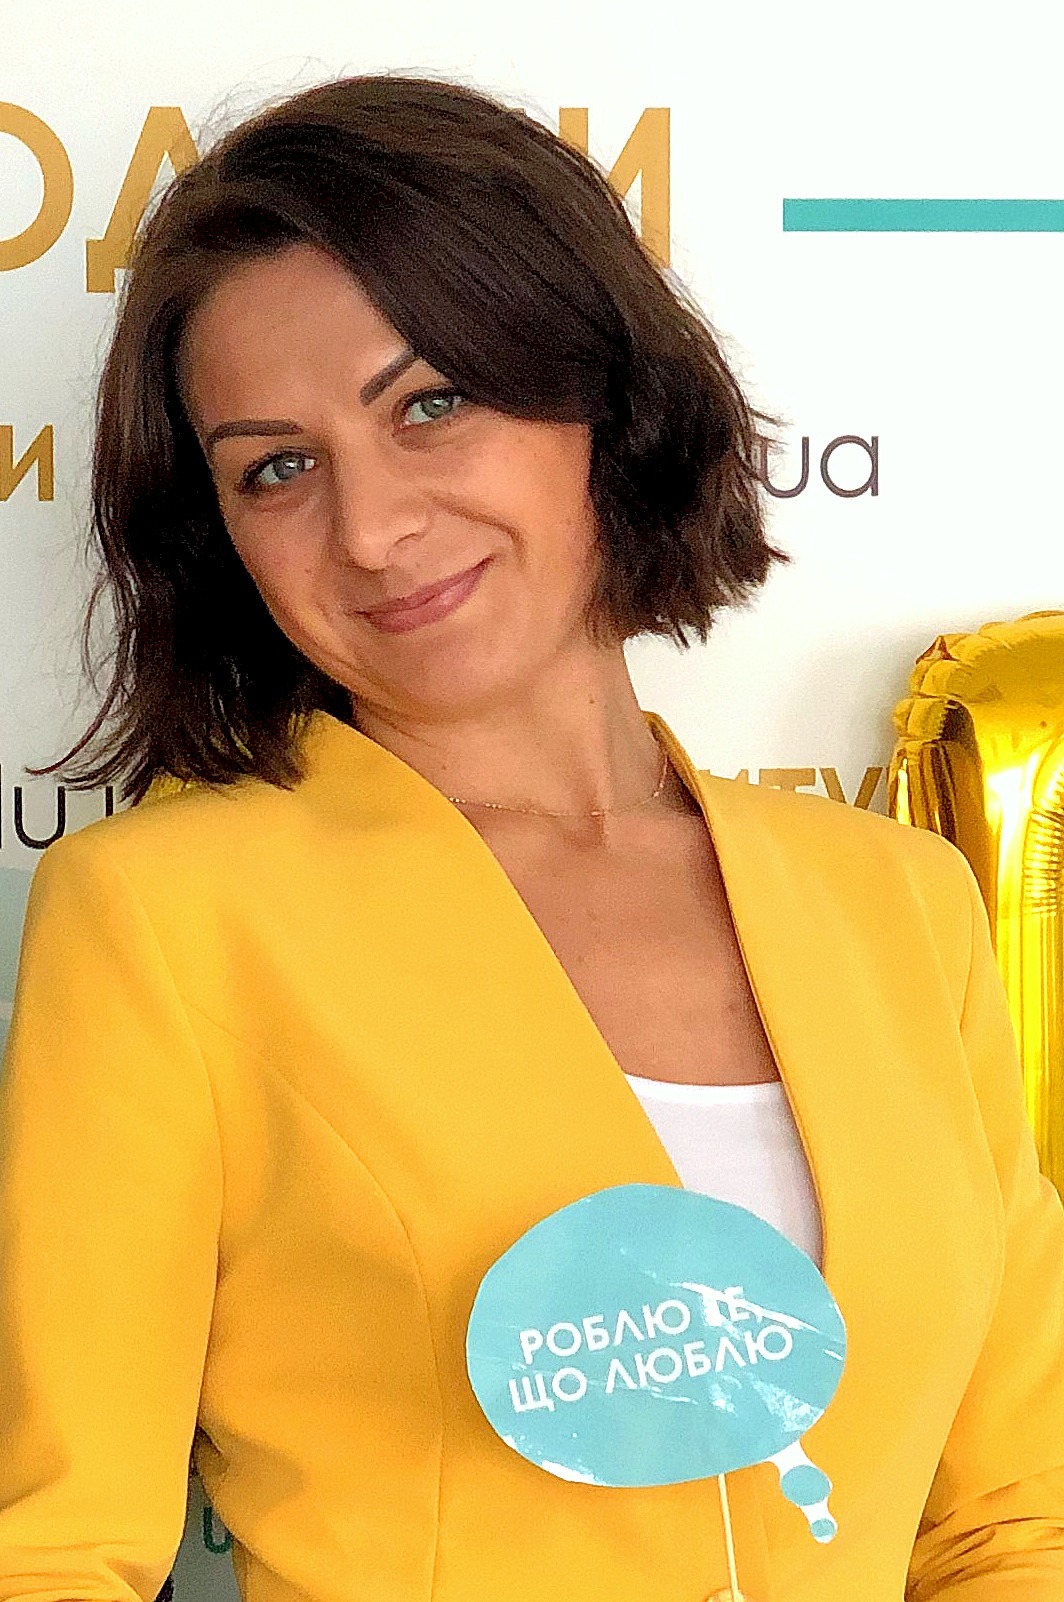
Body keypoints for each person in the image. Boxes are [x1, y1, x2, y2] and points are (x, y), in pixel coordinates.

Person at [0, 72, 1061, 1602]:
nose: (371, 529)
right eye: (276, 467)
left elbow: (1012, 1518)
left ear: (599, 397)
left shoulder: (899, 900)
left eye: (430, 404)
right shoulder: (163, 917)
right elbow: (54, 1549)